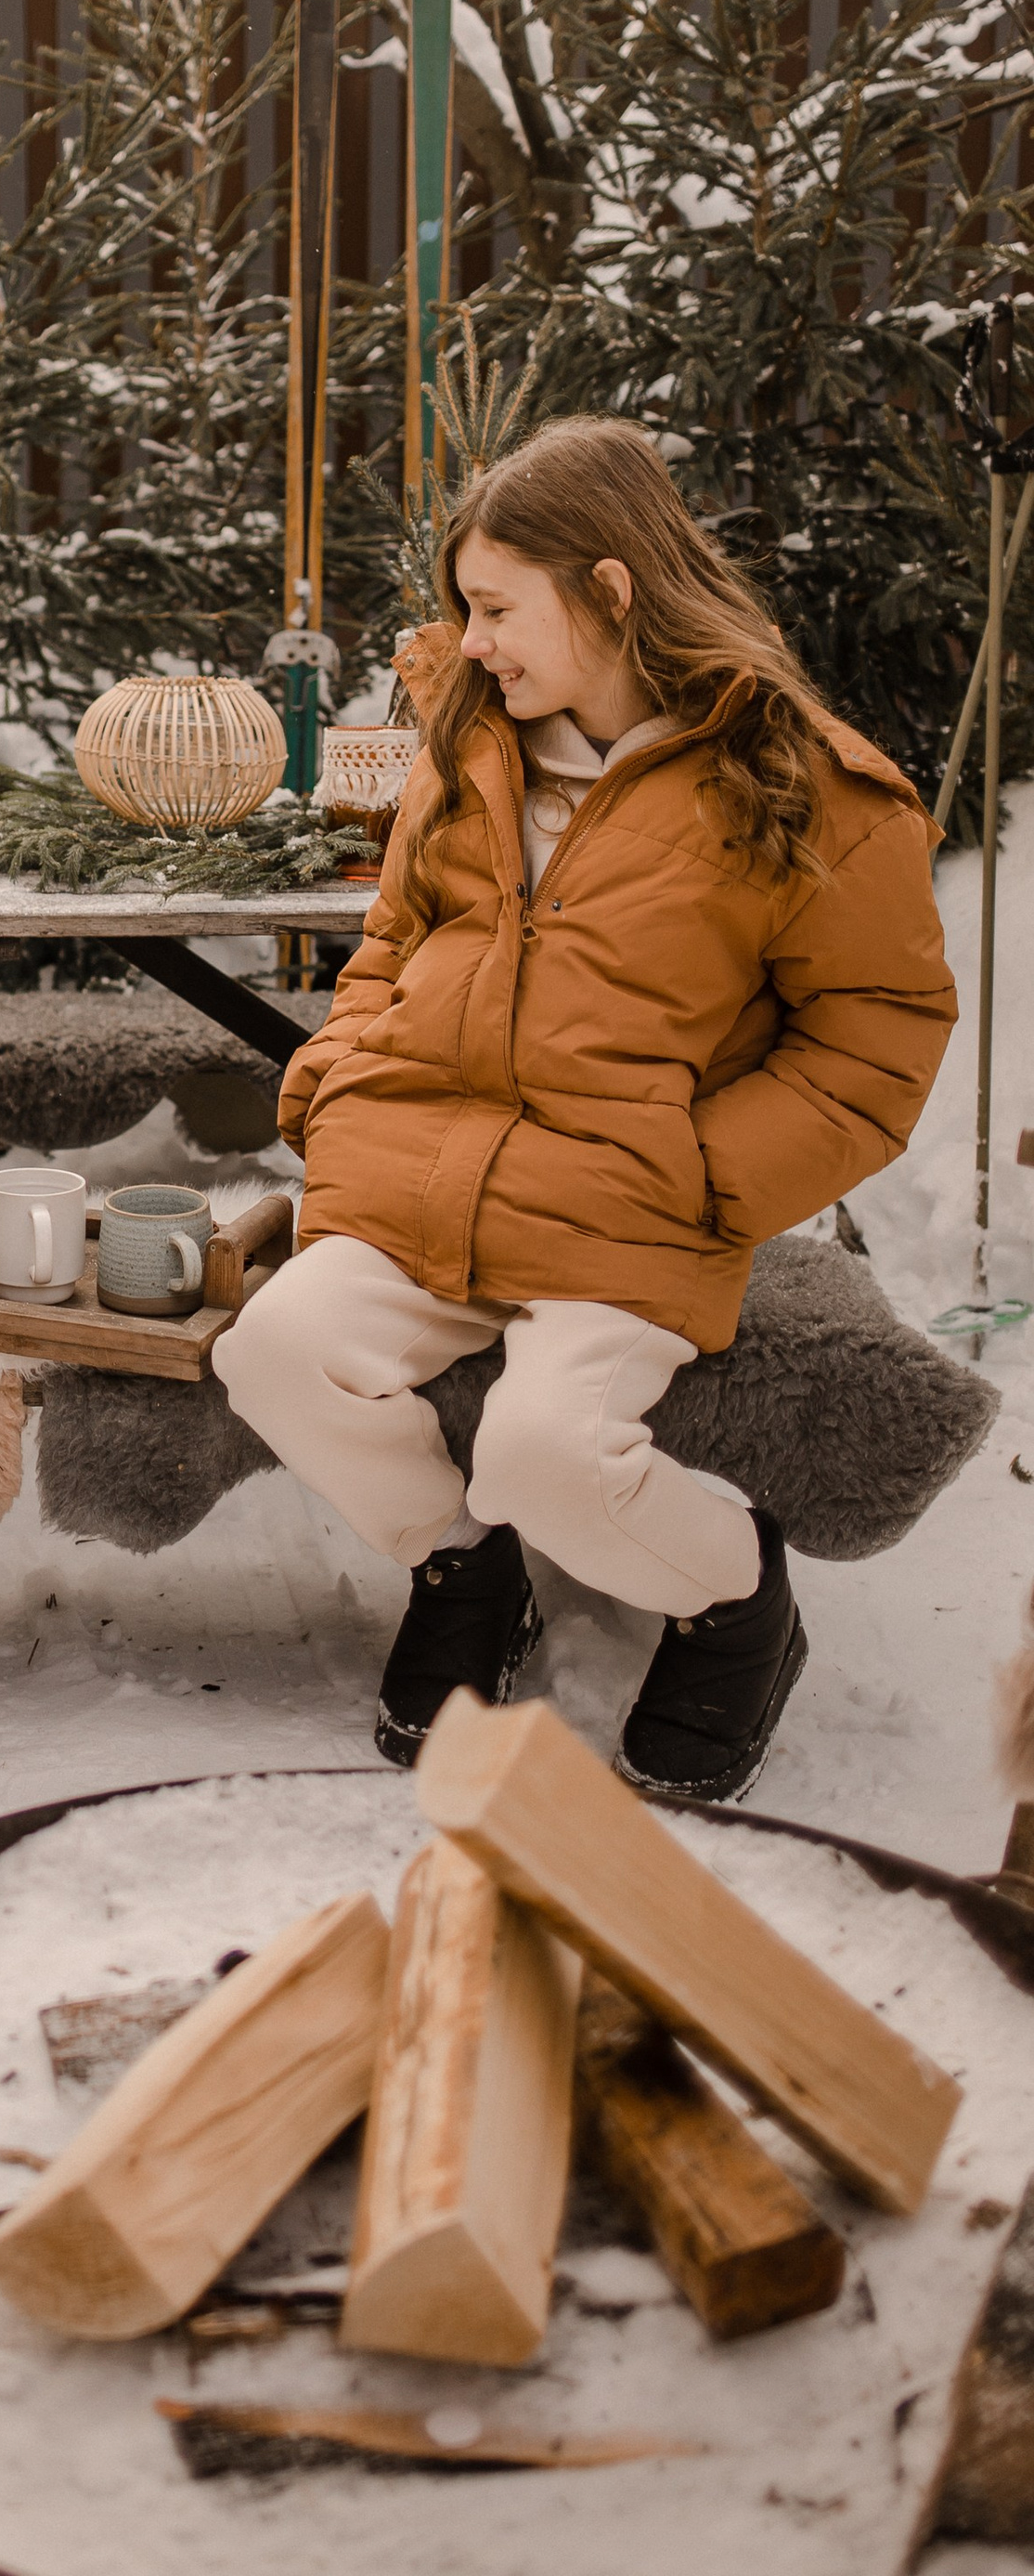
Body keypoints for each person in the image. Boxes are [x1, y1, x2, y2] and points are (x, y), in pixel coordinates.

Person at [215, 416, 955, 1802]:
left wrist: (708, 1172)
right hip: (426, 1171)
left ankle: (733, 1604)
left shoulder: (799, 784)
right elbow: (390, 940)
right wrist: (333, 1081)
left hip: (629, 1202)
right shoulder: (470, 749)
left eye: (496, 608)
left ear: (612, 590)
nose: (472, 641)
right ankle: (464, 1572)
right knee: (274, 1352)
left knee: (547, 1451)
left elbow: (877, 1035)